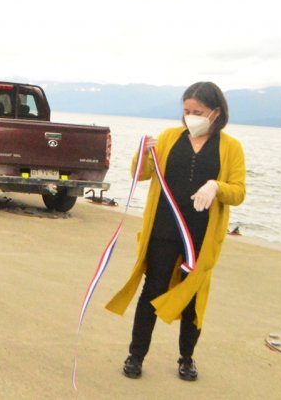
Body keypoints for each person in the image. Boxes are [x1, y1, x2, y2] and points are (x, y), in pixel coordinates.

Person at [106, 81, 246, 382]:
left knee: (193, 296)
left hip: (201, 236)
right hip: (163, 230)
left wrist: (216, 186)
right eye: (186, 111)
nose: (190, 117)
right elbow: (140, 174)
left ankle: (186, 358)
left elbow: (238, 192)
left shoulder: (231, 147)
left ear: (216, 112)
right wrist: (141, 153)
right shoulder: (170, 138)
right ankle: (136, 355)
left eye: (198, 111)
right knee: (151, 291)